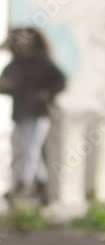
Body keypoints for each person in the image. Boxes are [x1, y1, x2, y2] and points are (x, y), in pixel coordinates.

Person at [0, 27, 66, 207]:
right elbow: (4, 85)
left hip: (38, 114)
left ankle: (23, 186)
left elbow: (60, 81)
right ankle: (41, 187)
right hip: (20, 114)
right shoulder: (16, 64)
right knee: (24, 150)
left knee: (31, 149)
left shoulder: (42, 62)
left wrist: (45, 93)